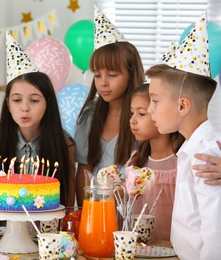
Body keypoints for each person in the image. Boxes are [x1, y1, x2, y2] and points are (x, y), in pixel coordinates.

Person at [146, 12, 221, 259]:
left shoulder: (207, 156)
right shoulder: (191, 148)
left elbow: (215, 237)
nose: (149, 110)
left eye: (155, 101)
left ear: (182, 106)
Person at [0, 32, 76, 207]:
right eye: (17, 100)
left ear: (48, 104)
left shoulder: (64, 143)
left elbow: (67, 203)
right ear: (8, 105)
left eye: (34, 100)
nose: (24, 107)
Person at [74, 6, 144, 206]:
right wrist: (86, 210)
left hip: (131, 207)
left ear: (130, 74)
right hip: (97, 207)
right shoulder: (90, 115)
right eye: (97, 75)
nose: (103, 82)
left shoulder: (144, 117)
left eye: (112, 75)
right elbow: (84, 170)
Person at [126, 83, 185, 240]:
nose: (132, 120)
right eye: (132, 113)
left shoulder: (182, 163)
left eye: (142, 114)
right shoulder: (136, 161)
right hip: (137, 251)